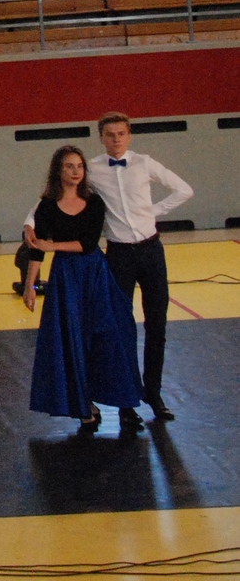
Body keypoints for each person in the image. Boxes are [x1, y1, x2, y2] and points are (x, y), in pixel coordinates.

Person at [21, 146, 142, 433]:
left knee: (106, 335)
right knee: (70, 339)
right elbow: (37, 249)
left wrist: (52, 245)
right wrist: (30, 285)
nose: (75, 172)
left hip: (94, 273)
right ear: (58, 171)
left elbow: (87, 243)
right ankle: (83, 405)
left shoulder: (94, 202)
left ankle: (123, 402)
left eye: (79, 166)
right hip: (66, 277)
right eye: (69, 166)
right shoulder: (47, 206)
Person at [90, 112, 192, 422]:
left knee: (157, 324)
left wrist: (152, 212)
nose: (116, 139)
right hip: (119, 254)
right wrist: (32, 223)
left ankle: (154, 392)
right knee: (122, 328)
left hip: (151, 251)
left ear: (129, 135)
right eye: (110, 135)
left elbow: (184, 190)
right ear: (101, 138)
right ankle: (126, 402)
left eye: (121, 133)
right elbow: (61, 195)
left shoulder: (144, 163)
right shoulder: (92, 169)